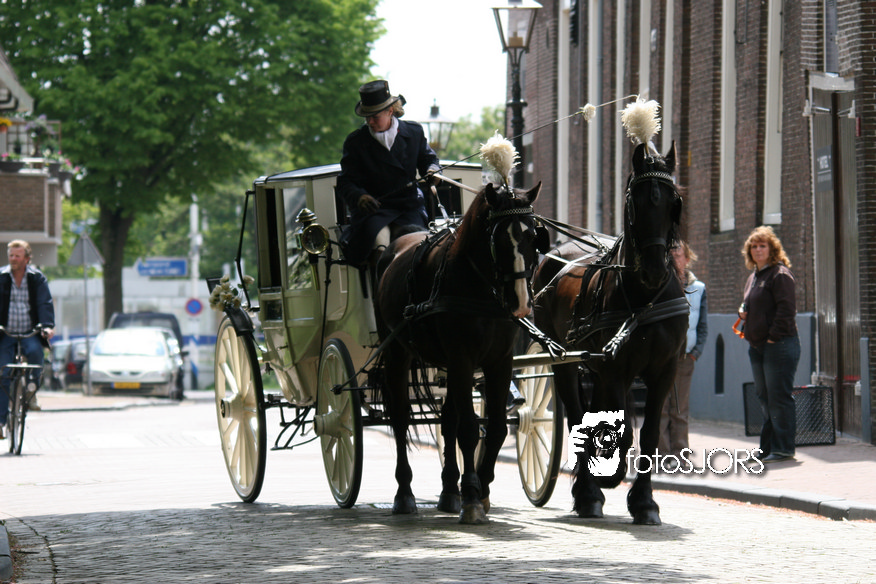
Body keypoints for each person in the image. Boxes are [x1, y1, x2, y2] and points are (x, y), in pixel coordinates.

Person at [336, 79, 441, 266]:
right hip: (374, 211)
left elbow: (429, 159)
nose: (370, 122)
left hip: (408, 208)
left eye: (375, 117)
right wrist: (360, 197)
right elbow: (346, 182)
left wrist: (432, 171)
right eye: (367, 117)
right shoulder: (355, 142)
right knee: (380, 246)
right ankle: (380, 284)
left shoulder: (414, 132)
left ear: (390, 111)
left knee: (417, 248)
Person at [738, 226, 800, 464]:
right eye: (754, 246)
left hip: (779, 345)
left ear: (772, 249)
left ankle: (783, 448)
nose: (758, 250)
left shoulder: (779, 274)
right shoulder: (753, 277)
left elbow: (787, 310)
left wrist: (773, 337)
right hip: (756, 346)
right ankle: (767, 449)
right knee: (764, 397)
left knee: (778, 397)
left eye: (762, 245)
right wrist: (743, 311)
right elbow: (751, 305)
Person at [0, 240, 55, 439]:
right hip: (5, 333)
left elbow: (44, 302)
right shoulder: (1, 277)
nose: (13, 259)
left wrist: (47, 326)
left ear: (27, 258)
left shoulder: (36, 278)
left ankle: (31, 393)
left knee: (36, 355)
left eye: (17, 256)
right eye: (11, 255)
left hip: (29, 332)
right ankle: (0, 422)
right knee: (3, 373)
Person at [659, 241, 707, 463]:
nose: (674, 259)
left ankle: (679, 453)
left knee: (680, 408)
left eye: (678, 255)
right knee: (661, 407)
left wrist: (696, 351)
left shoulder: (699, 288)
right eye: (670, 256)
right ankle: (661, 454)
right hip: (663, 357)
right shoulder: (661, 285)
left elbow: (703, 325)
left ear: (687, 259)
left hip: (685, 357)